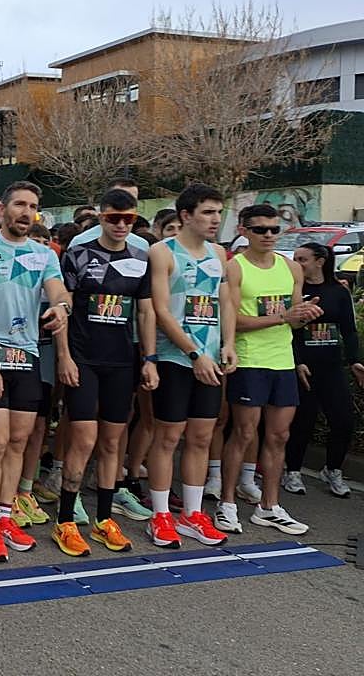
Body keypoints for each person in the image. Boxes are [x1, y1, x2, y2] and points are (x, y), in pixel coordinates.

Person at [53, 189, 158, 557]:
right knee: (83, 439)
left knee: (113, 441)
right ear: (101, 216)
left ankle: (102, 519)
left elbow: (145, 313)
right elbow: (62, 306)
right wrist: (63, 356)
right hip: (83, 358)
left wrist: (150, 359)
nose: (121, 225)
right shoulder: (79, 255)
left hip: (122, 361)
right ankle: (65, 519)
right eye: (114, 217)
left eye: (128, 218)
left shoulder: (142, 257)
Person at [0, 181, 69, 562]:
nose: (26, 212)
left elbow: (59, 291)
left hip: (26, 354)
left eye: (33, 206)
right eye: (19, 205)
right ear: (2, 209)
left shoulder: (44, 255)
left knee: (19, 441)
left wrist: (61, 307)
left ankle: (7, 514)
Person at [217, 204, 321, 536]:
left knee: (280, 436)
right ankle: (227, 504)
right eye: (261, 229)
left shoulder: (291, 268)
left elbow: (294, 316)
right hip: (248, 360)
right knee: (244, 433)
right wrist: (283, 317)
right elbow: (231, 322)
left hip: (283, 361)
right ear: (244, 230)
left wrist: (305, 314)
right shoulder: (235, 269)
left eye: (275, 229)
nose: (269, 235)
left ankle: (269, 506)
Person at [146, 183, 237, 548]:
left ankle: (193, 514)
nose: (216, 219)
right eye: (208, 212)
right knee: (168, 437)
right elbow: (161, 310)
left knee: (201, 436)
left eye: (218, 212)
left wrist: (228, 344)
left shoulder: (219, 252)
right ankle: (160, 515)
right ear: (186, 215)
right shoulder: (162, 252)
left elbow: (226, 301)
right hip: (176, 358)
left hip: (212, 358)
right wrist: (193, 354)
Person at [286, 242, 362, 498]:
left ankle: (333, 469)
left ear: (320, 261)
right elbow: (287, 330)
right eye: (295, 258)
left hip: (331, 365)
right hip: (303, 366)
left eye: (303, 259)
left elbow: (349, 331)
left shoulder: (338, 292)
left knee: (343, 420)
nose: (298, 263)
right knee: (302, 421)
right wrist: (297, 361)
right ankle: (293, 471)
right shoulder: (295, 290)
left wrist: (354, 361)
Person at [68, 178, 149, 250]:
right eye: (119, 196)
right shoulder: (80, 243)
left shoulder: (141, 245)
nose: (126, 201)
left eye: (132, 198)